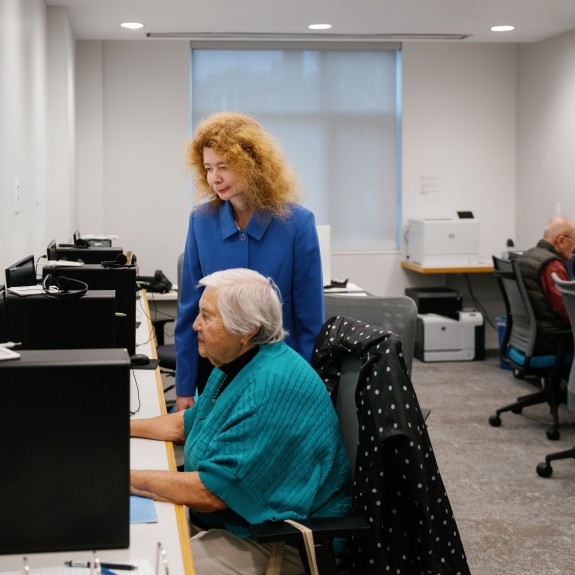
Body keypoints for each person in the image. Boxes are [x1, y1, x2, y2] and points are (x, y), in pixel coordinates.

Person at [131, 268, 351, 575]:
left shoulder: (270, 385)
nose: (195, 324)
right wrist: (118, 427)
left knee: (150, 565)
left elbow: (209, 493)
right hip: (238, 523)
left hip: (285, 539)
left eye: (207, 317)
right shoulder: (238, 362)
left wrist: (115, 478)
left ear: (247, 329)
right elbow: (189, 423)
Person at [174, 111, 325, 411]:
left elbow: (311, 323)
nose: (214, 178)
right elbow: (190, 311)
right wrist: (183, 387)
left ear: (252, 164)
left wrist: (309, 391)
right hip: (217, 375)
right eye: (207, 168)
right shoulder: (200, 222)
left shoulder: (298, 224)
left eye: (224, 167)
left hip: (279, 377)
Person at [517, 215, 575, 354]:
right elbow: (569, 313)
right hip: (553, 341)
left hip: (530, 338)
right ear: (561, 240)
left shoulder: (527, 256)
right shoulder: (553, 266)